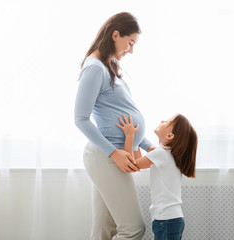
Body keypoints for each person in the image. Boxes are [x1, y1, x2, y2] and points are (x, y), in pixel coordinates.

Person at [74, 12, 155, 240]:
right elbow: (80, 118)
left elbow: (121, 114)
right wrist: (114, 152)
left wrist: (148, 145)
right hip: (106, 156)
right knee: (134, 229)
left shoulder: (108, 66)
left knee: (103, 231)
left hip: (111, 155)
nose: (131, 50)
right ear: (115, 34)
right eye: (130, 43)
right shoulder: (94, 69)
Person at [116, 114, 197, 240]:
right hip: (171, 218)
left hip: (165, 219)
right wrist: (136, 140)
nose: (162, 120)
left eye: (168, 121)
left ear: (170, 136)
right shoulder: (167, 154)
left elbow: (132, 165)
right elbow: (139, 160)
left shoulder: (161, 154)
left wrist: (130, 136)